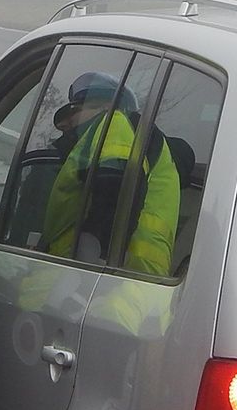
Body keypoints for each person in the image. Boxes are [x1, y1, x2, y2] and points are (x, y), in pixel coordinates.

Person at [42, 72, 180, 276]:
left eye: (76, 109)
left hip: (112, 281)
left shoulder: (113, 123)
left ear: (106, 106)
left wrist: (79, 278)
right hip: (126, 278)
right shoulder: (113, 136)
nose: (67, 123)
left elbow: (112, 194)